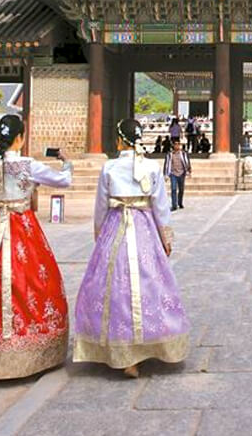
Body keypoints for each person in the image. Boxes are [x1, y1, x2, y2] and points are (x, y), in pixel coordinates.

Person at [0, 114, 74, 380]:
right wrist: (66, 162)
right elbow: (64, 181)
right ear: (20, 138)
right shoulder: (28, 166)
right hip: (22, 227)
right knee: (27, 281)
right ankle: (28, 349)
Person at [74, 118, 189, 378]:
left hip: (116, 228)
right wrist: (165, 237)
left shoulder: (110, 168)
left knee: (115, 286)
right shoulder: (151, 166)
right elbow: (161, 206)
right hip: (144, 228)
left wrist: (99, 233)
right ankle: (150, 344)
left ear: (118, 140)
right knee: (149, 282)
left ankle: (121, 350)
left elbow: (101, 206)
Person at [162, 137, 191, 211]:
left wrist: (188, 171)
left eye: (178, 144)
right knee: (174, 189)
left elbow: (187, 162)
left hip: (181, 173)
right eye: (175, 144)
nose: (177, 146)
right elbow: (167, 164)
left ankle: (180, 202)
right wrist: (165, 174)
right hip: (173, 173)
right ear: (173, 145)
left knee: (181, 189)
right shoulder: (170, 154)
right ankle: (174, 205)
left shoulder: (183, 154)